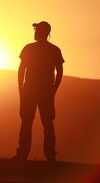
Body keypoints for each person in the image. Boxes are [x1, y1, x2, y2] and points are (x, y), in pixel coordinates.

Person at [13, 21, 64, 162]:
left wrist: (21, 89)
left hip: (31, 90)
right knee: (46, 123)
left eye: (37, 30)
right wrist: (53, 90)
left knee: (28, 123)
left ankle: (23, 155)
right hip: (44, 91)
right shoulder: (54, 50)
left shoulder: (29, 49)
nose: (35, 32)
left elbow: (21, 69)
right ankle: (49, 156)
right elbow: (59, 72)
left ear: (43, 32)